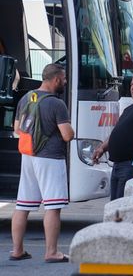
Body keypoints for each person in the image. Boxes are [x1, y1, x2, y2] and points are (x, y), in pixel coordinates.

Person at [11, 64, 74, 262]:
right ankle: (52, 252)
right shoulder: (56, 104)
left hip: (28, 156)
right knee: (53, 206)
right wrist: (71, 132)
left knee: (23, 205)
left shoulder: (26, 97)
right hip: (50, 158)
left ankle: (17, 250)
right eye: (63, 79)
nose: (64, 82)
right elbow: (66, 135)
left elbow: (17, 129)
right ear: (56, 79)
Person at [92, 73, 133, 200]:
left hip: (132, 164)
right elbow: (117, 131)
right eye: (132, 84)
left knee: (123, 205)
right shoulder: (130, 108)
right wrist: (102, 148)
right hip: (117, 164)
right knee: (115, 204)